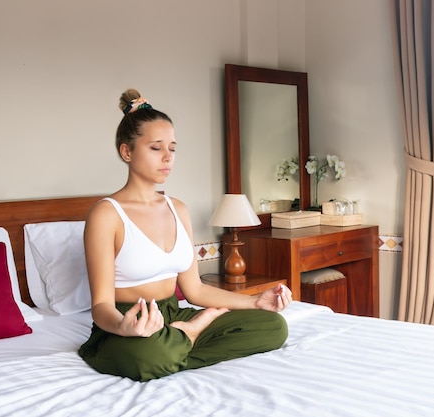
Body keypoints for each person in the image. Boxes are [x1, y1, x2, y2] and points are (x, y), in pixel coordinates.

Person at [78, 89, 291, 382]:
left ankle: (180, 339)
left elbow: (196, 290)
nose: (168, 157)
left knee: (273, 326)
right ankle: (190, 333)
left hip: (173, 314)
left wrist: (256, 301)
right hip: (126, 325)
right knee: (148, 357)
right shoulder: (106, 214)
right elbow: (101, 307)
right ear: (127, 151)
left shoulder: (178, 208)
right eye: (156, 148)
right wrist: (126, 328)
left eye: (173, 148)